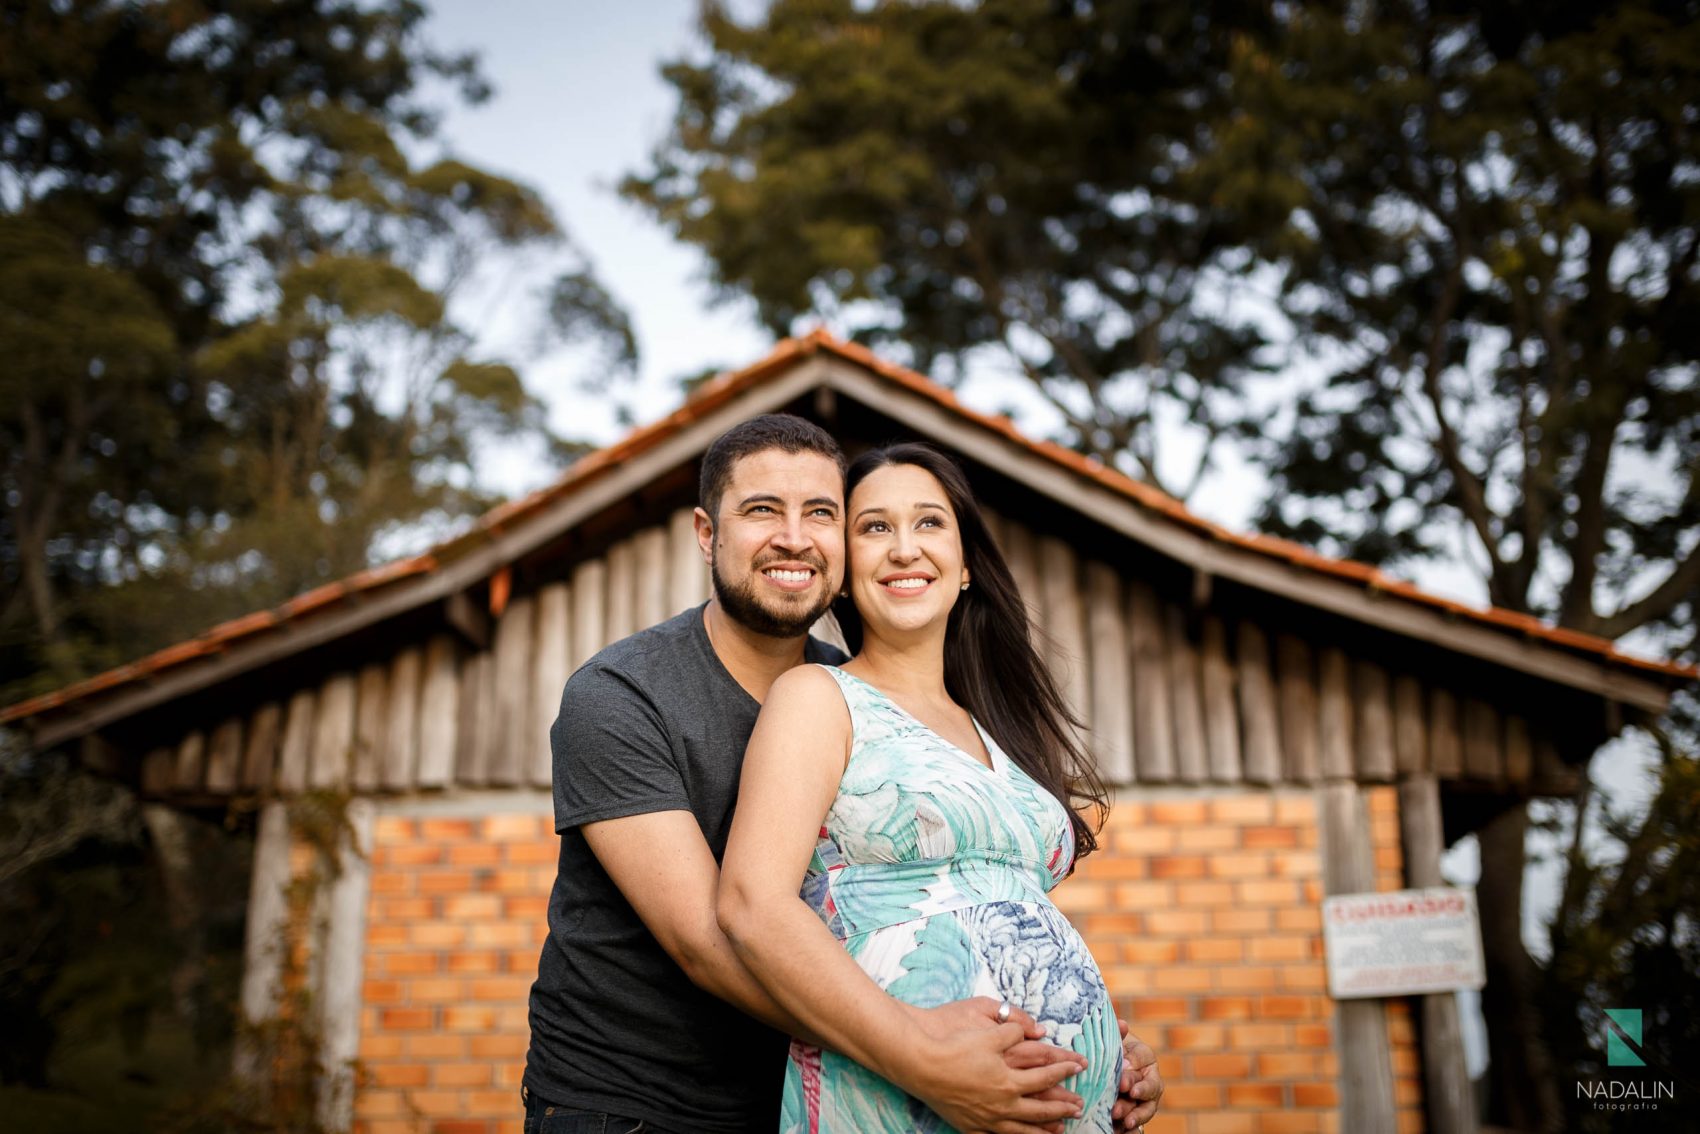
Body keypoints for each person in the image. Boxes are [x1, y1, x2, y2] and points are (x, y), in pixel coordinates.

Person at [523, 415, 1163, 1134]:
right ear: (708, 533)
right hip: (637, 1104)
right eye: (763, 509)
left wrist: (1079, 1036)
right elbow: (709, 939)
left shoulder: (871, 700)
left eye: (822, 513)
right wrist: (919, 1051)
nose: (795, 537)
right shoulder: (621, 695)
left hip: (802, 1091)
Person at [718, 441, 1126, 1132]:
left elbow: (1019, 917)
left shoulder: (999, 727)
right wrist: (918, 1052)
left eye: (929, 523)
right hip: (896, 1091)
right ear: (845, 573)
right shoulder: (818, 699)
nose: (905, 548)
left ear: (967, 566)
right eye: (875, 527)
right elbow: (753, 904)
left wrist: (1107, 1044)